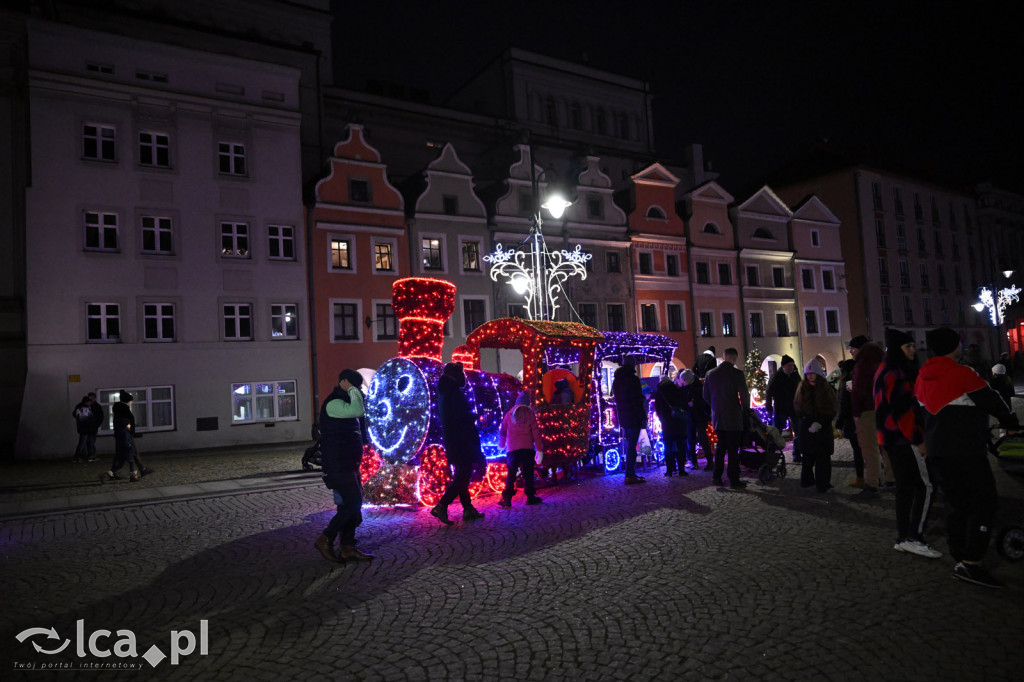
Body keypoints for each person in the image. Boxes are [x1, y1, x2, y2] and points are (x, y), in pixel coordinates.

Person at [915, 326, 1020, 587]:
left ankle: (960, 556)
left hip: (937, 450)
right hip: (965, 449)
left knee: (955, 502)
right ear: (955, 346)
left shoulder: (922, 376)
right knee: (984, 499)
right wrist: (1011, 422)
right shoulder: (961, 373)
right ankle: (972, 561)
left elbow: (919, 413)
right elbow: (991, 400)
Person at [874, 328, 941, 559]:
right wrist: (918, 440)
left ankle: (904, 537)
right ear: (897, 350)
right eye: (907, 347)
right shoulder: (897, 373)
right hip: (903, 438)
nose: (913, 350)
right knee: (926, 486)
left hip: (891, 438)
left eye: (913, 346)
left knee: (905, 489)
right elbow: (903, 411)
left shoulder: (884, 369)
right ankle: (914, 537)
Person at [314, 369, 373, 563]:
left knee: (350, 508)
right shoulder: (334, 403)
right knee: (353, 503)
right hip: (338, 465)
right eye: (354, 385)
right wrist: (352, 390)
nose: (357, 390)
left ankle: (347, 547)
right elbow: (357, 411)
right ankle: (326, 538)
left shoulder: (345, 401)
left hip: (349, 463)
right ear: (345, 383)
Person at [430, 362, 486, 524]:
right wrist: (475, 416)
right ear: (455, 375)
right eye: (461, 375)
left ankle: (468, 509)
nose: (464, 379)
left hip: (455, 438)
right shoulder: (452, 392)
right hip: (461, 439)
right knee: (463, 475)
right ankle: (442, 505)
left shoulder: (446, 390)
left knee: (463, 473)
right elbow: (459, 416)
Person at [850, 335, 892, 499]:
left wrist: (855, 412)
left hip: (867, 410)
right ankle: (891, 479)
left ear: (859, 349)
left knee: (869, 448)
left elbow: (859, 390)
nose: (852, 353)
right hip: (883, 408)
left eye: (852, 350)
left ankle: (872, 484)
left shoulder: (863, 363)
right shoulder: (882, 359)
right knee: (885, 446)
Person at [703, 348, 750, 489]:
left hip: (718, 417)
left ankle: (716, 477)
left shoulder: (710, 374)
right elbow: (744, 395)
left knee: (720, 448)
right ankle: (734, 480)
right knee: (733, 450)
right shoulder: (737, 374)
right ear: (734, 359)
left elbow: (705, 395)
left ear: (724, 357)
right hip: (733, 417)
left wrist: (715, 406)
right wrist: (745, 411)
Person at [793, 358, 837, 493]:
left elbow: (831, 408)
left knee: (823, 458)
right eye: (808, 374)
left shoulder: (826, 390)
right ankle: (807, 481)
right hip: (807, 429)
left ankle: (823, 484)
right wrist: (808, 421)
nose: (810, 376)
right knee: (808, 457)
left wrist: (821, 422)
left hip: (822, 429)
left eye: (813, 373)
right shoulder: (802, 390)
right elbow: (798, 408)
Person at [497, 391, 544, 507]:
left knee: (511, 474)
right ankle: (530, 497)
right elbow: (536, 433)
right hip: (527, 448)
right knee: (528, 474)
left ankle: (507, 499)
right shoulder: (530, 414)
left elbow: (502, 431)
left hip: (513, 449)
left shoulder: (509, 414)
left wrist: (501, 444)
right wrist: (540, 450)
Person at [99, 391, 152, 483]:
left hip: (122, 439)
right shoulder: (125, 416)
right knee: (129, 458)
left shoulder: (118, 412)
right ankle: (111, 474)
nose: (132, 403)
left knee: (121, 460)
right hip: (126, 441)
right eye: (131, 401)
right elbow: (128, 424)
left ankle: (115, 474)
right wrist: (130, 429)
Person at [612, 361, 646, 484]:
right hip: (633, 417)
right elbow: (636, 400)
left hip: (623, 417)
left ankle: (630, 473)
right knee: (632, 446)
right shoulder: (632, 380)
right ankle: (630, 474)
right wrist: (642, 416)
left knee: (630, 446)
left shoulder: (617, 381)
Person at [835, 359, 865, 487]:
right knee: (866, 450)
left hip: (852, 420)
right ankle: (874, 477)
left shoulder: (847, 382)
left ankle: (861, 478)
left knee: (858, 451)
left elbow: (844, 404)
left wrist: (839, 423)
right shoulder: (860, 379)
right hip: (864, 418)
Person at [677, 369, 714, 471]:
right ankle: (693, 462)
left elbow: (705, 400)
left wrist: (695, 403)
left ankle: (710, 462)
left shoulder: (699, 386)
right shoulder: (686, 387)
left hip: (699, 416)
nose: (683, 383)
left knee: (703, 439)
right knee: (690, 440)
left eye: (683, 380)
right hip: (690, 417)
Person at [653, 372, 688, 477]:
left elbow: (657, 408)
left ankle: (669, 470)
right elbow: (683, 404)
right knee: (681, 445)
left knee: (668, 447)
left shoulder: (659, 392)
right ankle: (681, 469)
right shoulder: (676, 389)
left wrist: (663, 418)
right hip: (678, 421)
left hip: (667, 423)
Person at [765, 355, 800, 436]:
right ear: (784, 366)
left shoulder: (795, 376)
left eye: (792, 365)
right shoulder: (776, 377)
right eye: (789, 365)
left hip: (794, 407)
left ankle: (798, 448)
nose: (791, 367)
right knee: (777, 432)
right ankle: (773, 447)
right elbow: (769, 392)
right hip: (781, 407)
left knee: (798, 431)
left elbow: (801, 389)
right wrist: (769, 407)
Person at [72, 393, 102, 463]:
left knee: (87, 443)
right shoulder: (84, 409)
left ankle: (86, 457)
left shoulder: (81, 408)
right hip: (87, 429)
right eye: (89, 401)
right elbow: (88, 419)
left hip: (86, 429)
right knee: (84, 444)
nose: (90, 403)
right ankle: (78, 457)